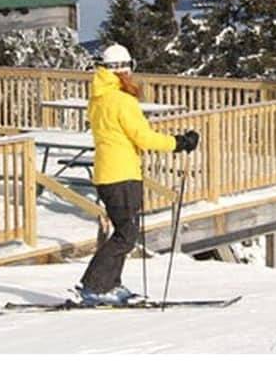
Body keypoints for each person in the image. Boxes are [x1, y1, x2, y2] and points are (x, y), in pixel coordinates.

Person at [76, 43, 199, 305]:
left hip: (107, 173)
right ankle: (94, 285)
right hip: (122, 175)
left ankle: (110, 284)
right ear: (123, 69)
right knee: (127, 234)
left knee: (124, 230)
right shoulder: (122, 100)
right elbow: (143, 137)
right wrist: (178, 143)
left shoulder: (98, 98)